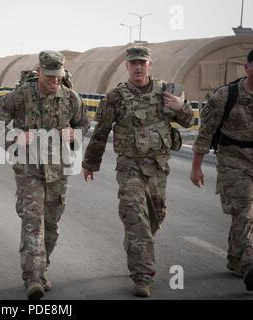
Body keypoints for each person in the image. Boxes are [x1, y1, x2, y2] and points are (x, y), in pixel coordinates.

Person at [82, 46, 194, 297]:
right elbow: (101, 132)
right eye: (133, 63)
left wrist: (180, 107)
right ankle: (143, 276)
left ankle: (135, 246)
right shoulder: (116, 97)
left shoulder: (166, 92)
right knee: (135, 217)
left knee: (155, 218)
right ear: (126, 66)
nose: (137, 67)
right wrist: (90, 163)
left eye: (142, 62)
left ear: (150, 65)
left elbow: (189, 123)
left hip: (157, 167)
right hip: (129, 165)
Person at [0, 50, 89, 300]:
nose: (54, 80)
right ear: (39, 71)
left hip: (58, 171)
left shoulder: (70, 97)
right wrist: (14, 138)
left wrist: (75, 135)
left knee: (51, 225)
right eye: (50, 75)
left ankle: (42, 270)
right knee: (34, 222)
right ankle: (33, 277)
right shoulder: (21, 95)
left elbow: (84, 124)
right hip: (28, 169)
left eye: (58, 76)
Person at [190, 49, 253, 291]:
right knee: (244, 211)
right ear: (246, 68)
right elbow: (205, 133)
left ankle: (236, 258)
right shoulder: (226, 96)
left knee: (247, 215)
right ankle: (249, 264)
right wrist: (196, 167)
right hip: (233, 160)